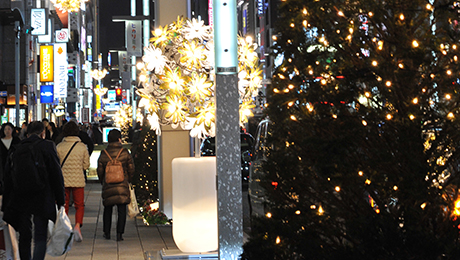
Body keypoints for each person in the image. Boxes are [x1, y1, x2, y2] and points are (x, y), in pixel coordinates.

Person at [2, 121, 65, 260]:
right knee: (40, 236)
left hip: (21, 195)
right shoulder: (48, 146)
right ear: (43, 133)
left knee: (24, 235)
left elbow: (8, 178)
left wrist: (6, 204)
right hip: (42, 195)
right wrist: (61, 200)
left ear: (27, 133)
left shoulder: (17, 148)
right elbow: (56, 174)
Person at [97, 129, 134, 241]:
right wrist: (128, 179)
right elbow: (131, 168)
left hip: (108, 184)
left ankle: (107, 233)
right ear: (119, 139)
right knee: (121, 210)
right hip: (122, 184)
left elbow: (100, 170)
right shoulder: (125, 152)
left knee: (107, 209)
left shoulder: (104, 153)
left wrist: (103, 181)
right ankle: (119, 234)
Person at [56, 121, 90, 242]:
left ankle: (64, 228)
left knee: (63, 205)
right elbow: (86, 165)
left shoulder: (59, 146)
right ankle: (77, 226)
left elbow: (57, 165)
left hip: (63, 180)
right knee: (79, 205)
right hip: (78, 180)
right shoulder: (82, 147)